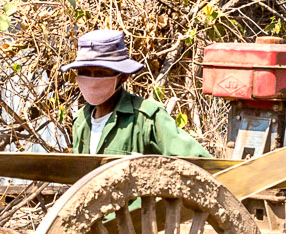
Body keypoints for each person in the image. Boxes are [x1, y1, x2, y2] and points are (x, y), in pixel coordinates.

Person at [63, 30, 210, 158]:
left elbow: (200, 163)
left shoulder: (147, 118)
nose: (92, 80)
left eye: (100, 73)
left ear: (122, 76)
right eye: (85, 73)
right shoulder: (81, 120)